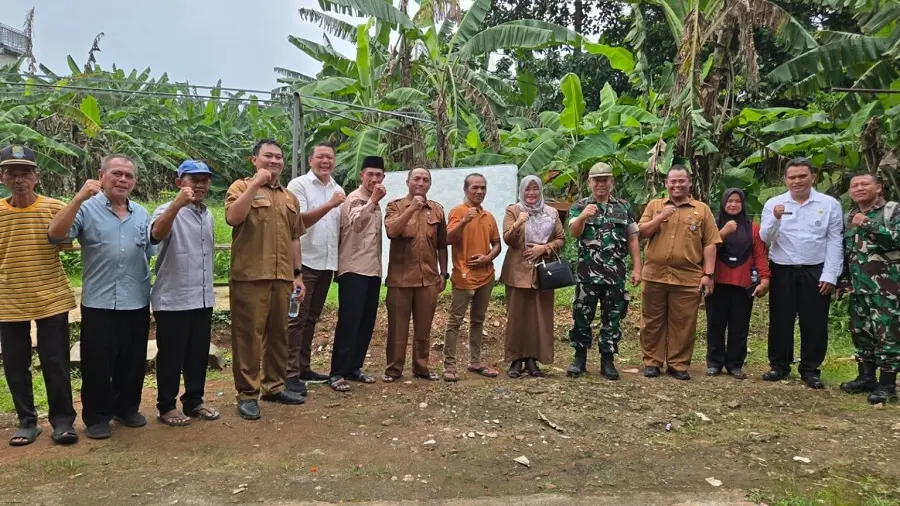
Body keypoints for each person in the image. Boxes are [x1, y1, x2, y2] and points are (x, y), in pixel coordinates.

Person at [48, 154, 154, 440]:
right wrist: (79, 196)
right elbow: (56, 234)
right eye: (116, 173)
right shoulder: (86, 208)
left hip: (137, 298)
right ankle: (96, 416)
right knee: (97, 362)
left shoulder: (142, 213)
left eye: (129, 176)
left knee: (132, 360)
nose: (123, 180)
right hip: (99, 300)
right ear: (101, 175)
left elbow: (147, 253)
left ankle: (127, 408)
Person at [0, 145, 78, 446]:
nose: (19, 179)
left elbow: (66, 243)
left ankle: (62, 422)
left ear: (37, 176)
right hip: (8, 300)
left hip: (51, 297)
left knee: (55, 361)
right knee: (15, 363)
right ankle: (27, 421)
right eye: (12, 173)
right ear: (3, 177)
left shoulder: (55, 208)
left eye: (26, 173)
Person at [225, 139, 307, 420]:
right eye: (267, 156)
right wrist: (254, 184)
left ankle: (274, 386)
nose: (274, 161)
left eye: (279, 157)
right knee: (248, 338)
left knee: (278, 336)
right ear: (254, 160)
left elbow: (295, 237)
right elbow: (233, 218)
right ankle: (247, 394)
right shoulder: (239, 187)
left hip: (282, 277)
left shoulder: (289, 197)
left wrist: (298, 275)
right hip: (250, 277)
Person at [759, 157, 843, 389]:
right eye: (792, 177)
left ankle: (810, 368)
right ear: (785, 179)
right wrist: (776, 218)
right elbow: (765, 238)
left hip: (815, 269)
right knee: (781, 319)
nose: (797, 181)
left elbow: (835, 241)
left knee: (814, 321)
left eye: (802, 176)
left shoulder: (828, 205)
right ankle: (779, 365)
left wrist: (830, 275)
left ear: (812, 177)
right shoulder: (774, 203)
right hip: (782, 268)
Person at [149, 160, 220, 426]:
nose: (200, 185)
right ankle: (166, 406)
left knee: (197, 353)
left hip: (202, 297)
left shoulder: (207, 214)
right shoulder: (165, 210)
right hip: (173, 297)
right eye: (194, 180)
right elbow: (156, 234)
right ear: (180, 183)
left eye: (204, 180)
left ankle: (194, 401)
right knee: (171, 355)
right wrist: (177, 204)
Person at [638, 166, 721, 381]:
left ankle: (678, 363)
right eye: (672, 181)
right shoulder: (655, 205)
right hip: (654, 274)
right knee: (651, 320)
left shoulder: (701, 209)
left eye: (681, 181)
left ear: (689, 182)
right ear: (666, 183)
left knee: (684, 322)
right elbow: (641, 233)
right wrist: (660, 217)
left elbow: (710, 243)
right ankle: (652, 362)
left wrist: (709, 274)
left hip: (687, 276)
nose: (677, 185)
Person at [566, 162, 641, 380]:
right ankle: (579, 358)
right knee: (582, 316)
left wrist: (638, 267)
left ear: (612, 182)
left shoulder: (624, 207)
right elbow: (574, 232)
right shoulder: (580, 206)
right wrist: (582, 217)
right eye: (596, 180)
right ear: (589, 183)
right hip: (587, 275)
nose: (601, 184)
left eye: (605, 179)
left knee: (613, 318)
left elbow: (633, 237)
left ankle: (607, 360)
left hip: (615, 275)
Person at [285, 143, 345, 392]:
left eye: (330, 157)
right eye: (320, 156)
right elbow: (298, 222)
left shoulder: (337, 188)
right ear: (310, 160)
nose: (325, 161)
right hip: (305, 263)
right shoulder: (298, 186)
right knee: (295, 319)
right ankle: (288, 372)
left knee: (311, 318)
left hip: (327, 264)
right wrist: (331, 204)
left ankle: (303, 367)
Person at [837, 173, 899, 404]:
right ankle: (866, 377)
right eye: (854, 185)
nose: (859, 188)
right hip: (858, 287)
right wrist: (843, 281)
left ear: (879, 187)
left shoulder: (891, 211)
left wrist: (869, 225)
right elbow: (848, 252)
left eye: (865, 184)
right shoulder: (849, 217)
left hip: (887, 288)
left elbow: (896, 239)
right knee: (861, 331)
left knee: (888, 333)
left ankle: (887, 384)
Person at [382, 167, 449, 382]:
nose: (421, 183)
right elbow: (392, 232)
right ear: (407, 181)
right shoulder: (395, 206)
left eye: (425, 180)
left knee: (424, 328)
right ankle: (393, 369)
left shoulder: (437, 210)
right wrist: (411, 208)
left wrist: (444, 273)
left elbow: (441, 245)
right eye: (417, 179)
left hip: (428, 279)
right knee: (397, 328)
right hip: (400, 279)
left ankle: (421, 367)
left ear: (430, 184)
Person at [329, 156, 386, 392]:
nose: (374, 179)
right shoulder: (354, 199)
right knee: (349, 321)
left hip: (372, 270)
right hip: (353, 269)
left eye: (379, 175)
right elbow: (356, 224)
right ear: (361, 175)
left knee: (366, 321)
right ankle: (337, 372)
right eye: (370, 174)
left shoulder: (377, 200)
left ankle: (354, 367)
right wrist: (372, 200)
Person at [500, 175, 566, 378]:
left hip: (543, 271)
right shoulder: (513, 210)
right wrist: (519, 222)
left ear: (540, 191)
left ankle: (533, 360)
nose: (531, 193)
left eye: (535, 189)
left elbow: (561, 238)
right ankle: (516, 360)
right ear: (521, 191)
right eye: (527, 189)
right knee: (517, 317)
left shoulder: (551, 212)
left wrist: (543, 248)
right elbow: (508, 239)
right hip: (517, 271)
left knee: (540, 318)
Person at [704, 188, 771, 379]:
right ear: (723, 204)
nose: (733, 205)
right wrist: (723, 233)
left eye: (737, 201)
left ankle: (735, 364)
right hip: (718, 281)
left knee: (739, 326)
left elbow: (759, 254)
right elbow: (707, 249)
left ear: (743, 205)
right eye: (729, 201)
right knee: (715, 324)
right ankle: (714, 362)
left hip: (743, 283)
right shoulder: (713, 226)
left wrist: (765, 279)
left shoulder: (753, 228)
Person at [442, 173, 502, 382]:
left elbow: (497, 245)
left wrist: (487, 258)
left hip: (486, 275)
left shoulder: (489, 217)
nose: (479, 192)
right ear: (466, 189)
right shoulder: (458, 212)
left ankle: (475, 361)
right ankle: (449, 365)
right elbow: (448, 239)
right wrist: (464, 221)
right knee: (455, 321)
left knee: (478, 319)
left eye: (483, 188)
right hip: (463, 275)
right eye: (475, 188)